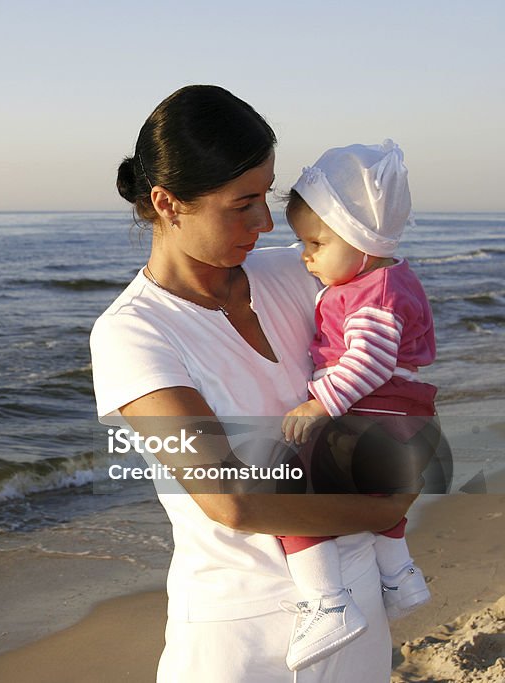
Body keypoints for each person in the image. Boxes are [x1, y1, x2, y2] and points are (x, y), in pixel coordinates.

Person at [90, 85, 416, 682]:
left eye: (266, 195)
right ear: (168, 203)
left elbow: (391, 355)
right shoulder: (133, 335)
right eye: (242, 204)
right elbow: (232, 502)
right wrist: (387, 506)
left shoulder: (300, 274)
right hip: (242, 639)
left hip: (360, 608)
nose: (266, 222)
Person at [276, 141, 436, 669]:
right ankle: (400, 574)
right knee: (377, 496)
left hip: (375, 418)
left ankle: (328, 602)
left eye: (316, 243)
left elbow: (367, 363)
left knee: (288, 487)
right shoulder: (386, 278)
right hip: (400, 420)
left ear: (360, 238)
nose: (306, 256)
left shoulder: (374, 294)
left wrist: (318, 404)